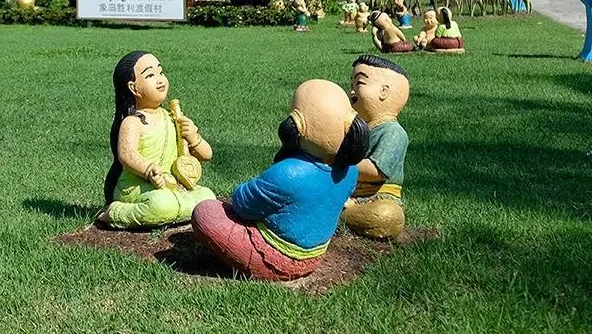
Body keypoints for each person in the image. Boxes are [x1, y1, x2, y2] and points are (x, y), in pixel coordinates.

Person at [191, 79, 368, 281]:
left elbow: (243, 205)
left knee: (206, 211)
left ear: (297, 124)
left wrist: (245, 191)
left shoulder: (288, 173)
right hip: (315, 254)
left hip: (277, 257)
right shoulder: (350, 171)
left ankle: (259, 266)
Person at [98, 51, 215, 228]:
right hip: (138, 187)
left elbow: (206, 155)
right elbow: (126, 154)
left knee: (207, 197)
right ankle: (115, 212)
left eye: (161, 72)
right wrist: (149, 171)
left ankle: (177, 208)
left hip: (173, 185)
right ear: (133, 88)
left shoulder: (172, 118)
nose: (160, 79)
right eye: (150, 75)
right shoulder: (133, 122)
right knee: (161, 204)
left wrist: (193, 137)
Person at [343, 56, 410, 239]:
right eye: (352, 83)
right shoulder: (357, 130)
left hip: (378, 197)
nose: (351, 91)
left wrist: (340, 164)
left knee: (387, 216)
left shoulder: (394, 133)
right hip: (350, 191)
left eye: (359, 83)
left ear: (384, 91)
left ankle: (342, 215)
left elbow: (375, 171)